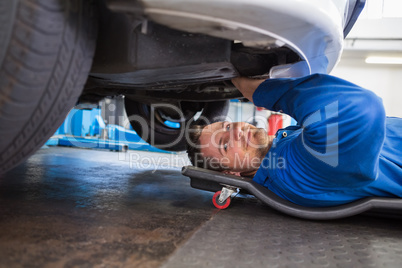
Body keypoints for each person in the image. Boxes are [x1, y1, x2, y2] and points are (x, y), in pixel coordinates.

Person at [186, 74, 402, 207]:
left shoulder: (282, 150)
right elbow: (356, 107)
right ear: (231, 173)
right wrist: (259, 91)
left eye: (226, 125)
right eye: (224, 145)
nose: (235, 131)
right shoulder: (289, 172)